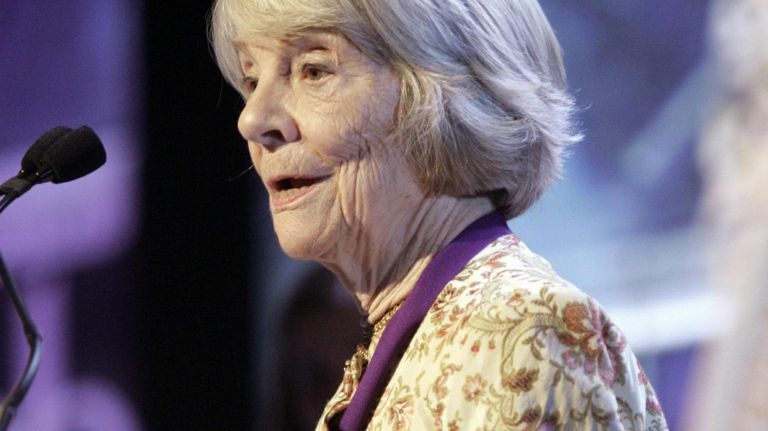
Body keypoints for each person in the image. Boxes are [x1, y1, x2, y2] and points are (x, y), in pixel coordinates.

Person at [209, 0, 668, 429]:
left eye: (313, 70)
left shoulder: (521, 333)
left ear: (444, 97)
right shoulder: (407, 342)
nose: (252, 119)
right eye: (252, 81)